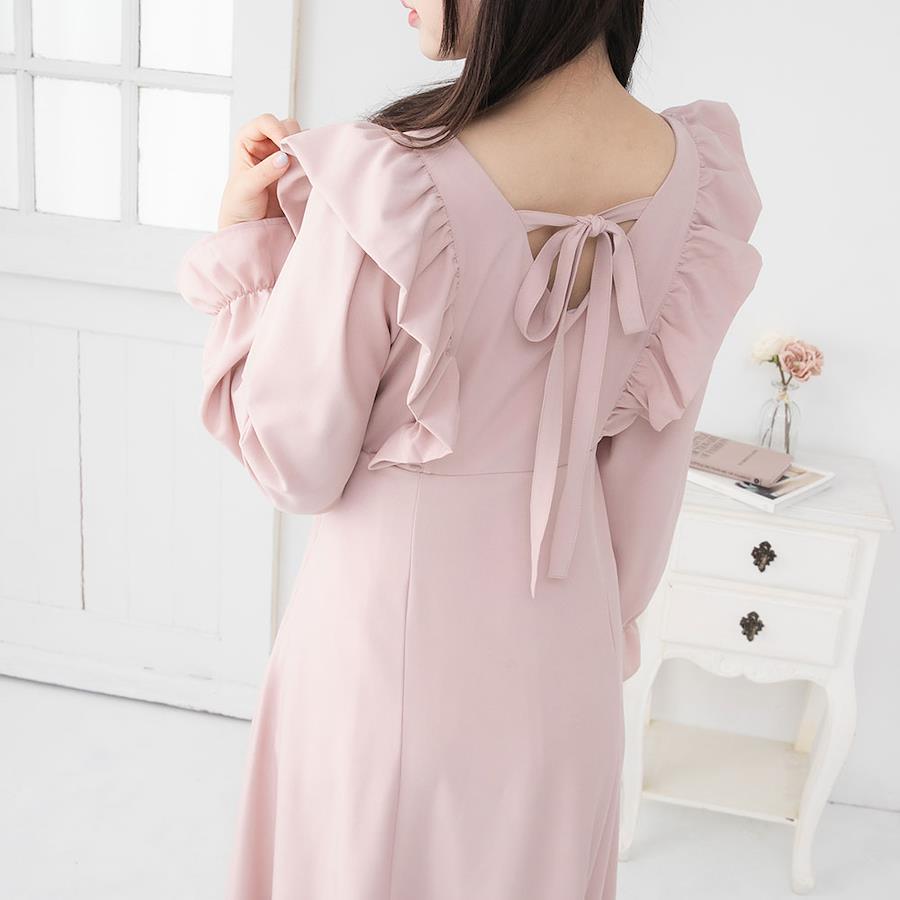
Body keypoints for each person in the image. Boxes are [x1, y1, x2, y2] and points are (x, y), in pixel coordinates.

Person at [175, 1, 763, 897]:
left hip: (383, 662)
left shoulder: (390, 182)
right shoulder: (697, 178)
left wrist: (247, 250)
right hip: (567, 665)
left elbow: (294, 463)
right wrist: (594, 634)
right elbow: (647, 488)